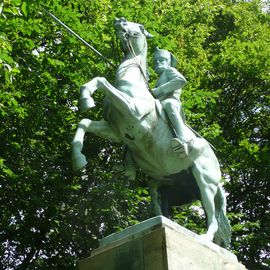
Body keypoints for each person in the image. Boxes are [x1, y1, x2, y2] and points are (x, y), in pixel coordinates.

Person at [153, 47, 189, 156]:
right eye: (156, 61)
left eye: (161, 60)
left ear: (168, 63)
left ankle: (183, 140)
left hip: (172, 101)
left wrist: (159, 90)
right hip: (158, 105)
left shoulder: (170, 70)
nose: (158, 62)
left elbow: (180, 80)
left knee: (168, 104)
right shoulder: (158, 79)